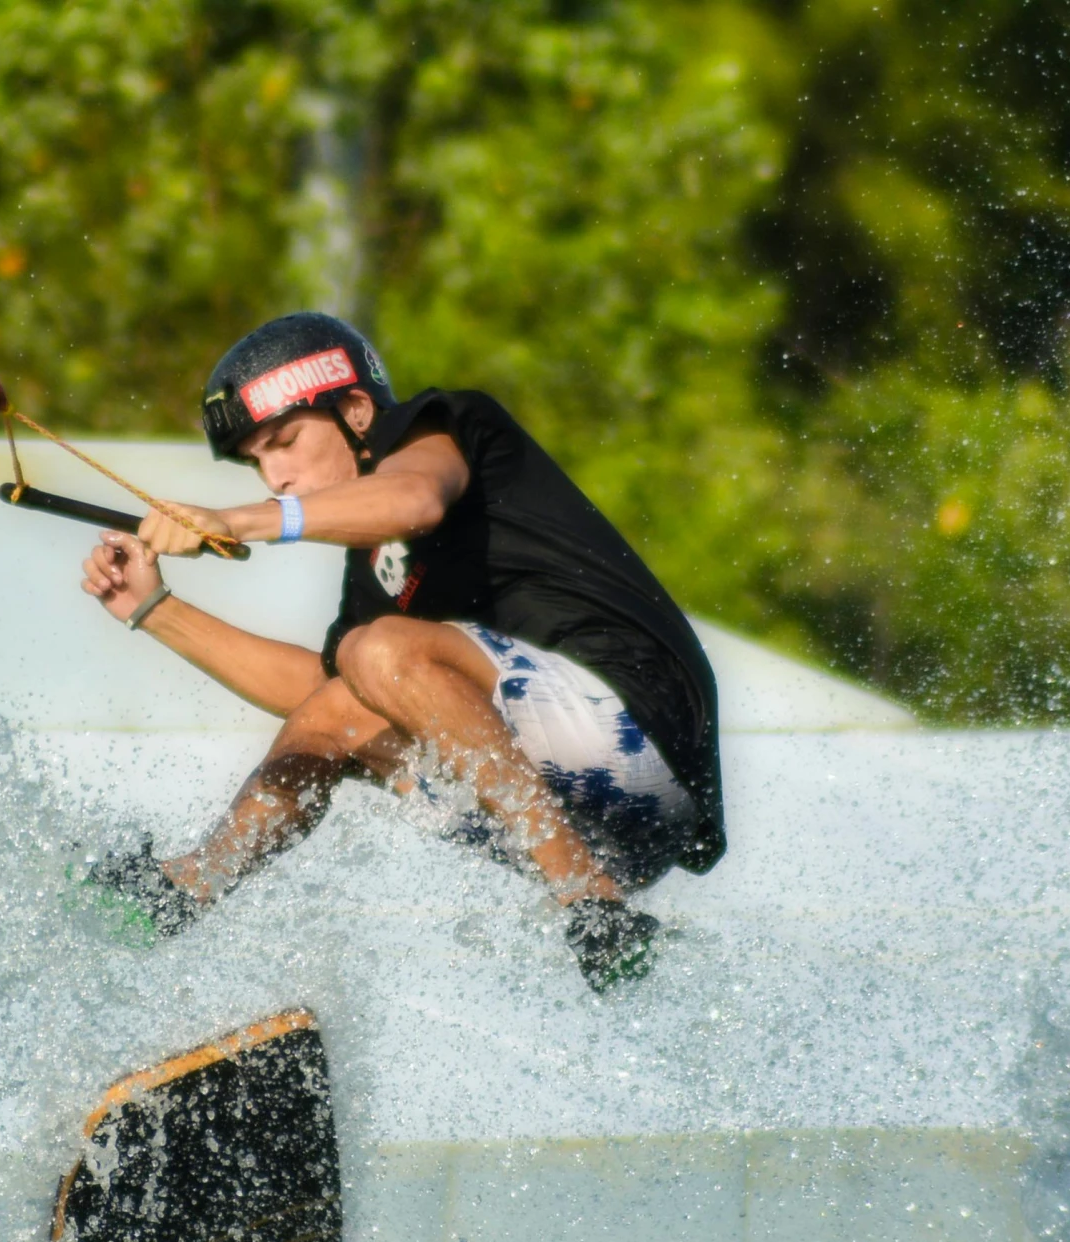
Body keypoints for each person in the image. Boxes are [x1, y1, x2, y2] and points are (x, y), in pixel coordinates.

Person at [79, 313, 723, 992]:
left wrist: (237, 520)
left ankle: (589, 903)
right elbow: (318, 695)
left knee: (376, 652)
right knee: (339, 703)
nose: (276, 476)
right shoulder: (373, 576)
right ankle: (184, 889)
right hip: (619, 840)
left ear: (356, 411)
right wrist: (154, 611)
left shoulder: (437, 429)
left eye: (285, 442)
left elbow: (414, 500)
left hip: (640, 730)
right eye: (256, 463)